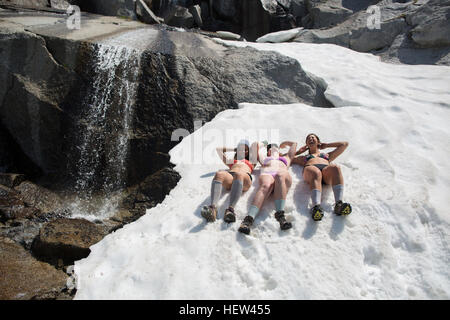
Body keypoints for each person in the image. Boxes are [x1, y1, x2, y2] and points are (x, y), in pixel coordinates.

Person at [238, 141, 297, 235]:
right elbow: (254, 146)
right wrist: (263, 144)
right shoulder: (264, 158)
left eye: (275, 149)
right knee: (265, 186)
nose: (272, 150)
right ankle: (248, 219)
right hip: (268, 174)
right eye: (270, 149)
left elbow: (294, 145)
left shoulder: (286, 158)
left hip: (282, 176)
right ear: (267, 152)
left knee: (279, 176)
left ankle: (281, 216)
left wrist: (284, 143)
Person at [292, 133, 352, 221]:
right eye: (308, 139)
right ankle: (316, 207)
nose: (311, 139)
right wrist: (298, 152)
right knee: (316, 172)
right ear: (306, 144)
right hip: (311, 172)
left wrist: (327, 145)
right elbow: (287, 158)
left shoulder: (327, 156)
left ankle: (339, 204)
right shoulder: (303, 157)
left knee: (335, 167)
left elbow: (344, 144)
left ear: (318, 141)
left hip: (326, 173)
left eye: (313, 138)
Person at [201, 140, 257, 223]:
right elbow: (219, 149)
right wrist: (234, 149)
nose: (244, 151)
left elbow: (256, 145)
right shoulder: (232, 161)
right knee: (219, 174)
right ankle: (212, 208)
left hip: (245, 178)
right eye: (241, 149)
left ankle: (230, 210)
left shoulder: (252, 162)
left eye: (246, 149)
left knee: (239, 174)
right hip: (231, 177)